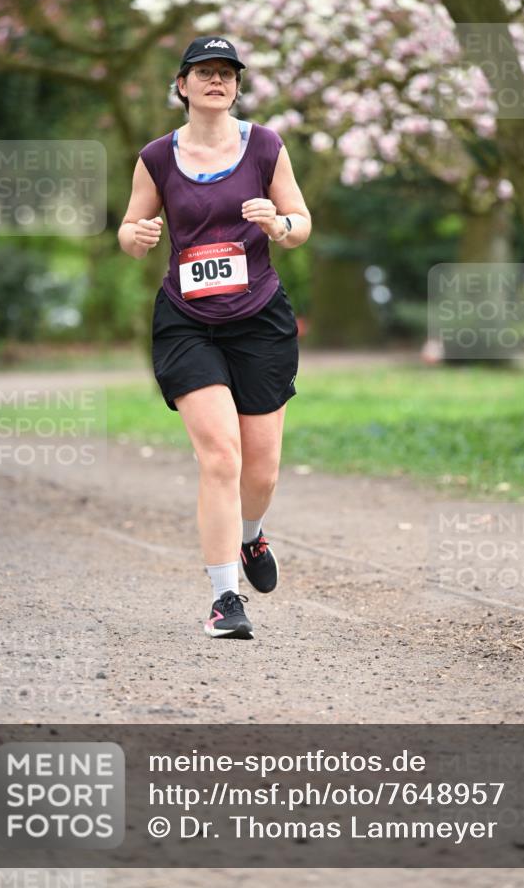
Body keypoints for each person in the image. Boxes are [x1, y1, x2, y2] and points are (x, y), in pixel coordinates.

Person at [118, 35, 311, 640]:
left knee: (262, 471)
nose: (216, 80)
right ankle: (225, 597)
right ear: (182, 85)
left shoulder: (266, 147)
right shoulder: (156, 157)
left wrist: (278, 225)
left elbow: (300, 223)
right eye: (204, 71)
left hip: (259, 320)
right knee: (221, 458)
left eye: (227, 72)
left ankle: (251, 536)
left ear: (236, 85)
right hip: (187, 320)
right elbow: (128, 225)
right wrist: (138, 237)